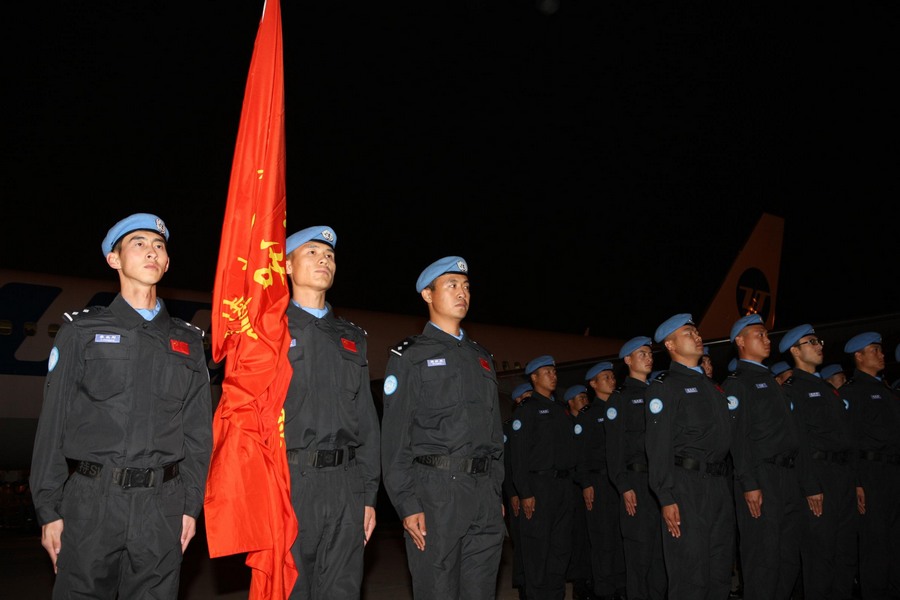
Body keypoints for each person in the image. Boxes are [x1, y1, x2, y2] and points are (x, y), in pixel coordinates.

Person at [29, 213, 213, 598]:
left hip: (162, 505)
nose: (152, 252)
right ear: (114, 260)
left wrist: (189, 507)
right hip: (92, 501)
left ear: (167, 262)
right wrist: (49, 509)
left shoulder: (189, 342)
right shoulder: (82, 331)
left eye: (159, 246)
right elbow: (53, 424)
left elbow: (198, 434)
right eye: (140, 244)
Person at [381, 256, 505, 599]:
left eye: (466, 286)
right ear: (428, 294)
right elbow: (394, 438)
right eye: (451, 285)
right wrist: (408, 504)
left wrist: (495, 490)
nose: (462, 293)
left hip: (482, 493)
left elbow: (494, 433)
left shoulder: (481, 357)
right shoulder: (410, 356)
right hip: (436, 493)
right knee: (437, 590)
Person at [282, 225, 381, 599]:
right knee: (291, 588)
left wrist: (368, 495)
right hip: (292, 481)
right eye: (311, 253)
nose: (324, 259)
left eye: (330, 256)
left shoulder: (351, 337)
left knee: (342, 590)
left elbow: (366, 421)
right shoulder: (269, 329)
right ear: (287, 266)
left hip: (345, 483)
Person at [644, 313, 735, 600]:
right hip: (686, 487)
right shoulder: (666, 386)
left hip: (719, 485)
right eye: (688, 333)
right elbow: (657, 446)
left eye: (696, 332)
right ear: (670, 345)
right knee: (690, 574)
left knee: (719, 572)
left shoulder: (712, 387)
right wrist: (666, 496)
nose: (697, 336)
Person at [724, 314, 802, 600]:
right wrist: (749, 482)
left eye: (767, 335)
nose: (767, 340)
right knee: (763, 559)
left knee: (787, 558)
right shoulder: (739, 383)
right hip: (762, 477)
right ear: (741, 342)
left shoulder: (770, 381)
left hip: (786, 477)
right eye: (759, 334)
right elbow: (738, 438)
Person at [779, 324, 858, 600]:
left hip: (843, 476)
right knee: (820, 557)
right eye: (810, 342)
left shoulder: (826, 388)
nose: (818, 345)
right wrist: (810, 485)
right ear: (795, 351)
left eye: (818, 340)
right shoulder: (794, 389)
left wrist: (856, 481)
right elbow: (798, 440)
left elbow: (846, 438)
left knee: (845, 553)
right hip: (819, 476)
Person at [509, 354, 577, 600]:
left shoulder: (560, 410)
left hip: (563, 486)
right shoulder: (527, 411)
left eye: (554, 371)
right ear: (534, 378)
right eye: (547, 372)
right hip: (539, 487)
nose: (553, 376)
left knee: (560, 549)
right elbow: (518, 457)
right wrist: (525, 492)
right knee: (538, 549)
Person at [605, 337, 667, 600]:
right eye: (642, 354)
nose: (648, 357)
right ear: (628, 360)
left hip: (661, 482)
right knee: (639, 555)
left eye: (650, 353)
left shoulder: (659, 392)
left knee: (660, 554)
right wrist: (624, 485)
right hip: (636, 482)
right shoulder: (620, 399)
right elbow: (614, 448)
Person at [841, 331, 900, 599]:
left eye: (880, 349)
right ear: (859, 356)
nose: (881, 354)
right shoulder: (853, 393)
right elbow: (849, 440)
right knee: (875, 545)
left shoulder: (885, 389)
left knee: (893, 541)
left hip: (892, 472)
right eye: (874, 350)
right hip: (871, 473)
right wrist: (856, 482)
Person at [504, 382, 533, 600]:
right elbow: (507, 464)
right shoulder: (510, 427)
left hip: (536, 488)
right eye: (526, 397)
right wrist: (513, 492)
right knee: (522, 541)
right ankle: (523, 583)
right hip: (517, 490)